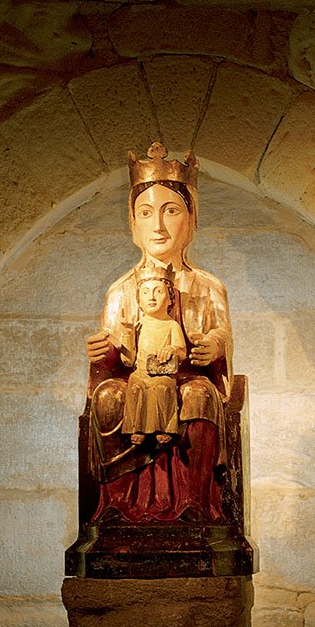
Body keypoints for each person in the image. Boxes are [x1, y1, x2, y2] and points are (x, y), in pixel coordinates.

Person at [84, 142, 231, 523]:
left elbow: (221, 334)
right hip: (136, 378)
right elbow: (116, 348)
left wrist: (212, 346)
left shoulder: (206, 286)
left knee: (199, 397)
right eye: (146, 213)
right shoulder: (121, 289)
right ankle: (117, 503)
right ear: (133, 223)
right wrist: (105, 351)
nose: (159, 226)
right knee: (107, 399)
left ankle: (195, 504)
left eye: (171, 210)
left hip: (187, 378)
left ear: (192, 218)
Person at [121, 264, 186, 446]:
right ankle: (136, 428)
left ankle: (164, 428)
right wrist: (126, 337)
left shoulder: (172, 325)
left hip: (163, 373)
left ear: (170, 298)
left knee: (162, 387)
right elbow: (128, 360)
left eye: (158, 291)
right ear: (138, 300)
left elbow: (182, 352)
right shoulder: (138, 326)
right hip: (141, 371)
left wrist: (172, 349)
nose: (151, 297)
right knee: (136, 386)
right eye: (145, 292)